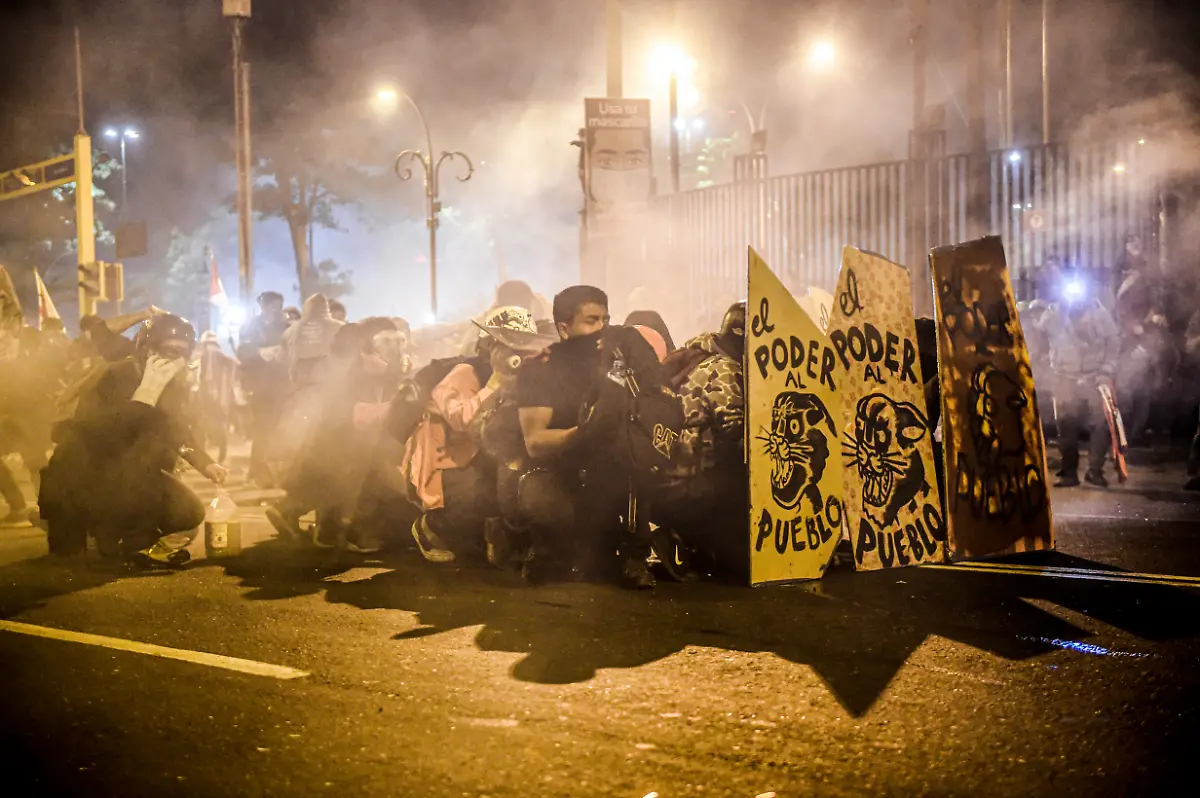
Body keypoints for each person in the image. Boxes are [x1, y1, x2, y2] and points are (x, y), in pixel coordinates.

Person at [38, 314, 227, 567]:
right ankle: (132, 541)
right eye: (169, 351)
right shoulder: (117, 374)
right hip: (86, 475)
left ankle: (121, 537)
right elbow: (102, 436)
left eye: (182, 353)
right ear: (148, 350)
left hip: (125, 478)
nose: (175, 361)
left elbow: (175, 429)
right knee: (139, 464)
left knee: (189, 512)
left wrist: (205, 464)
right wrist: (144, 396)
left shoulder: (168, 385)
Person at [513, 285, 657, 588]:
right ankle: (543, 545)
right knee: (552, 529)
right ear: (564, 329)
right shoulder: (542, 368)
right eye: (591, 321)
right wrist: (585, 432)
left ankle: (633, 555)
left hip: (609, 468)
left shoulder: (621, 362)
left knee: (636, 463)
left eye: (605, 319)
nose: (602, 329)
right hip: (558, 468)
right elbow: (536, 443)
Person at [406, 306, 551, 562]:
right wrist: (496, 383)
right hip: (451, 461)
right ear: (489, 345)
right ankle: (432, 526)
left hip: (489, 455)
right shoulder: (466, 372)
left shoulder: (530, 373)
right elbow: (462, 420)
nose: (518, 353)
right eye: (509, 345)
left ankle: (500, 536)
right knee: (478, 497)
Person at [655, 302, 747, 581]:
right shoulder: (725, 370)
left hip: (669, 476)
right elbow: (740, 437)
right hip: (692, 484)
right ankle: (684, 536)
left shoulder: (699, 354)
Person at [1037, 263, 1120, 487]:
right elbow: (1038, 341)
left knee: (1100, 425)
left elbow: (1113, 342)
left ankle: (1095, 470)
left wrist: (1106, 370)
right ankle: (1069, 472)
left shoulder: (1099, 313)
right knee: (1066, 425)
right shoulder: (1052, 314)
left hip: (1095, 377)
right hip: (1064, 377)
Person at [238, 291, 291, 486]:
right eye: (271, 305)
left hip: (282, 384)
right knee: (263, 429)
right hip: (260, 386)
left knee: (279, 429)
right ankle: (258, 471)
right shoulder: (250, 327)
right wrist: (261, 353)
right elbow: (243, 352)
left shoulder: (287, 327)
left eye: (278, 305)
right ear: (262, 306)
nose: (274, 309)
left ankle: (272, 471)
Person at [281, 293, 344, 390]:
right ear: (326, 308)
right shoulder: (341, 328)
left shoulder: (289, 332)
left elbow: (284, 361)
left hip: (300, 385)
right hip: (333, 385)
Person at [193, 331, 237, 464]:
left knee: (205, 427)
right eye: (209, 344)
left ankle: (212, 457)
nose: (210, 348)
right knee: (204, 427)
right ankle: (208, 457)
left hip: (212, 400)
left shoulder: (218, 358)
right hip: (209, 399)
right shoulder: (201, 358)